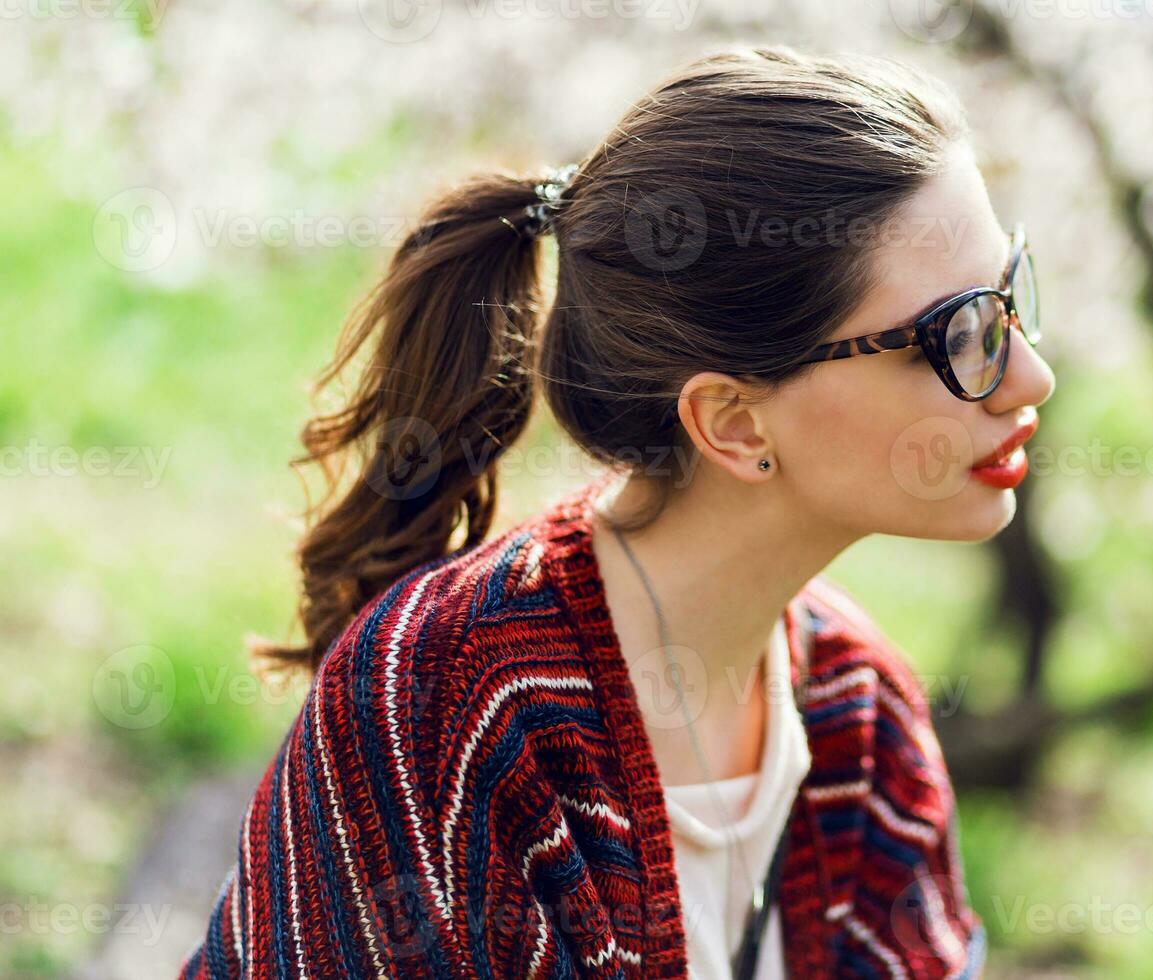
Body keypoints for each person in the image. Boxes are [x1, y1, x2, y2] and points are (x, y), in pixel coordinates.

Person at [180, 43, 1053, 979]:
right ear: (731, 420)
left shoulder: (856, 706)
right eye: (959, 333)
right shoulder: (446, 697)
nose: (1030, 377)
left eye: (1012, 301)